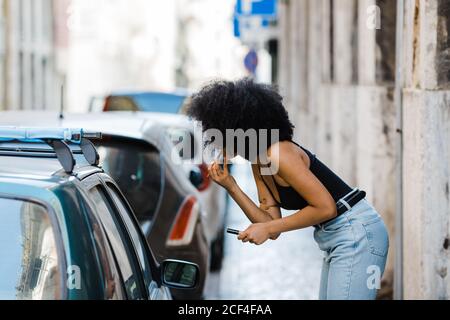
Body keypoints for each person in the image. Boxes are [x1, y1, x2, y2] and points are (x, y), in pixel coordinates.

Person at [186, 78, 389, 300]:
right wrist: (231, 186)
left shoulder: (279, 153)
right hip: (337, 237)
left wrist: (268, 228)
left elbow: (326, 208)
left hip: (358, 233)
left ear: (238, 127)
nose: (215, 143)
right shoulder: (259, 161)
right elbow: (270, 223)